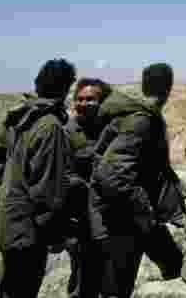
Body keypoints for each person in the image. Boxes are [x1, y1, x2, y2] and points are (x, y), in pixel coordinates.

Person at [0, 58, 76, 298]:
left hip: (8, 222)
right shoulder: (49, 126)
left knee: (10, 288)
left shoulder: (18, 117)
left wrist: (11, 182)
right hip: (28, 233)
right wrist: (55, 235)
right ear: (65, 89)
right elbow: (48, 191)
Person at [89, 63, 184, 298]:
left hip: (137, 215)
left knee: (174, 264)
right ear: (169, 88)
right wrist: (143, 207)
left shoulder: (144, 115)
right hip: (125, 217)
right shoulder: (141, 120)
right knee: (117, 288)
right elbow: (111, 173)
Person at [65, 78, 113, 298]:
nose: (83, 103)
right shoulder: (67, 132)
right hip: (79, 222)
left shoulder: (112, 130)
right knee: (82, 281)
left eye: (90, 99)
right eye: (80, 99)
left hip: (109, 220)